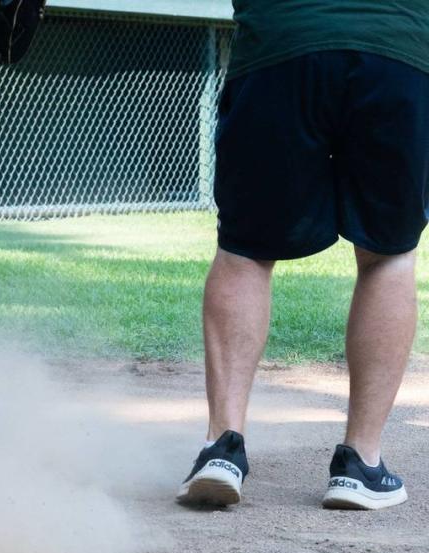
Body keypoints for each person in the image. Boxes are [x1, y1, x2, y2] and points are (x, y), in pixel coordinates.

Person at [177, 0, 428, 510]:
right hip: (398, 49)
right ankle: (361, 464)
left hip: (281, 44)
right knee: (388, 252)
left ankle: (221, 450)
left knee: (243, 250)